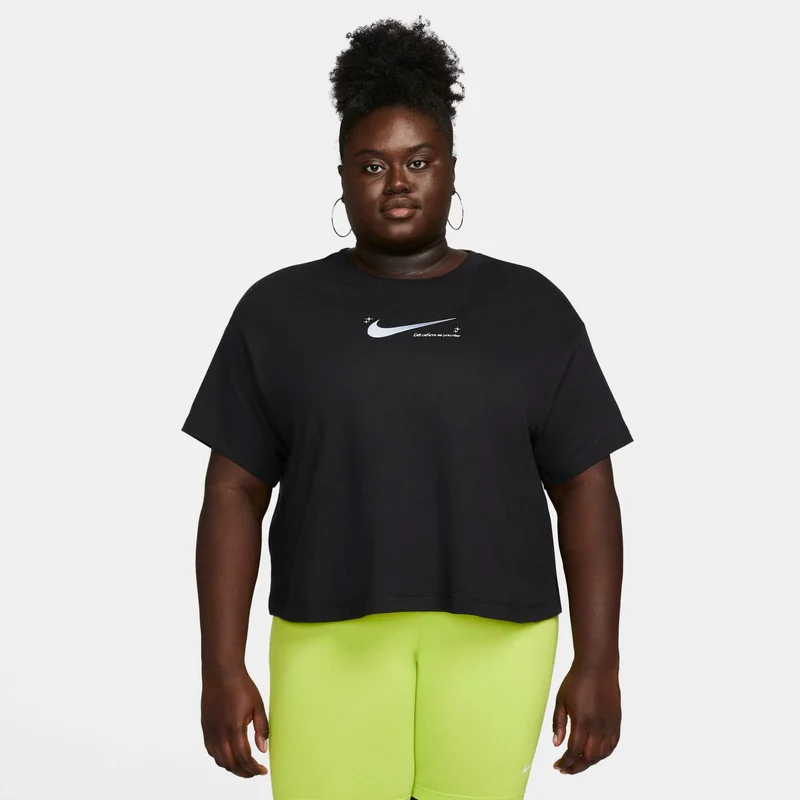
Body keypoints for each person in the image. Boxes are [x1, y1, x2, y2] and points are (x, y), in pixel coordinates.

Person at [181, 16, 633, 800]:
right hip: (326, 639)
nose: (397, 182)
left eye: (418, 161)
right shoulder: (278, 311)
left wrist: (600, 661)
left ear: (452, 169)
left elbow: (586, 485)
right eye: (372, 165)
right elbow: (233, 491)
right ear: (342, 175)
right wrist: (221, 667)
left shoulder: (531, 309)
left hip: (499, 641)